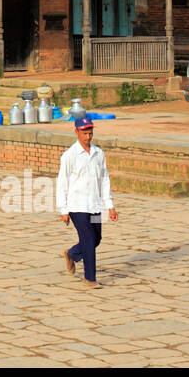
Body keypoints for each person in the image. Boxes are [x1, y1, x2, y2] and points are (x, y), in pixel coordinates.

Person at [56, 117, 119, 288]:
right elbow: (62, 181)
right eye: (84, 132)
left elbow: (104, 179)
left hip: (95, 204)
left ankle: (73, 253)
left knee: (96, 238)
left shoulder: (98, 154)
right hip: (77, 205)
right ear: (76, 132)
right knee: (89, 239)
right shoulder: (70, 155)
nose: (88, 136)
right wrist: (64, 209)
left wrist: (110, 205)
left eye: (90, 132)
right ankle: (90, 278)